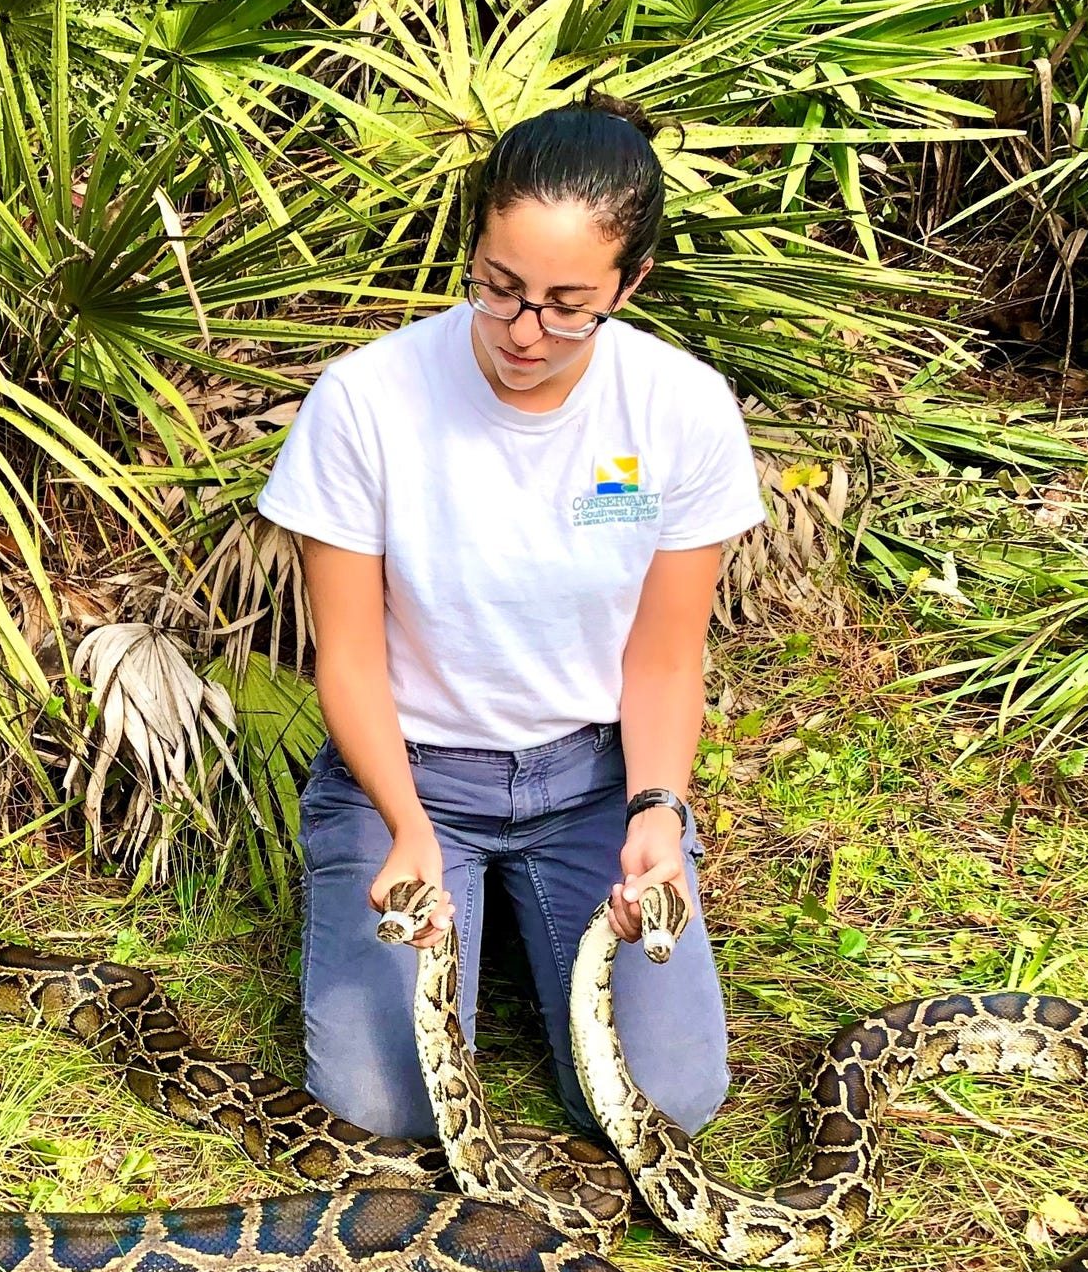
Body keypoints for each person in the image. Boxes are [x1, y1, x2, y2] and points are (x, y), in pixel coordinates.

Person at [257, 92, 765, 1144]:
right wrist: (404, 824)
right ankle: (467, 927)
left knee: (663, 1104)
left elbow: (665, 660)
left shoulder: (681, 407)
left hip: (589, 779)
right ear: (473, 252)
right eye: (499, 289)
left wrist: (657, 810)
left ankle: (523, 939)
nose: (524, 332)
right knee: (381, 1115)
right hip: (410, 771)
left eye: (567, 304)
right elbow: (346, 655)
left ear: (631, 284)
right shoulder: (364, 401)